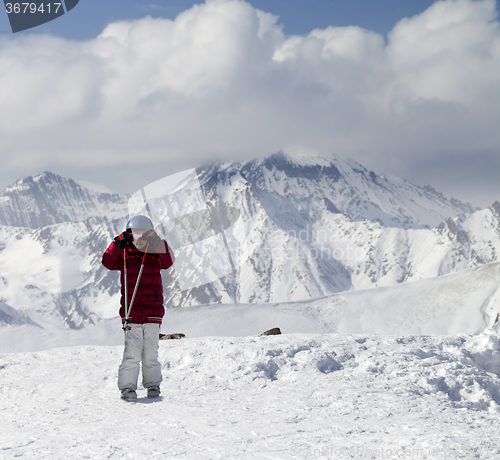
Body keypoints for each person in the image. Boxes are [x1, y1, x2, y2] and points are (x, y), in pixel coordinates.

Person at [102, 215, 175, 400]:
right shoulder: (125, 255)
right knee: (132, 354)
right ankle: (127, 388)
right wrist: (117, 244)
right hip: (131, 314)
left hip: (152, 313)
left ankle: (153, 385)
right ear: (129, 235)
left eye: (144, 234)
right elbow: (107, 262)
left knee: (151, 353)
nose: (140, 238)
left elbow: (168, 262)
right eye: (135, 235)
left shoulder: (155, 254)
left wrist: (159, 243)